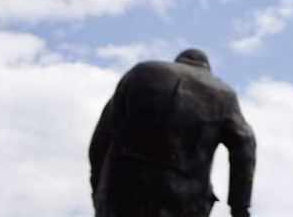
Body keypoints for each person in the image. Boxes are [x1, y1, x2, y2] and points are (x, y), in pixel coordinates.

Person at [89, 48, 256, 217]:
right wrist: (240, 208)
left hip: (123, 191)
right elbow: (245, 148)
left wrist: (98, 188)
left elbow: (100, 139)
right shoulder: (223, 95)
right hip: (185, 199)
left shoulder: (140, 73)